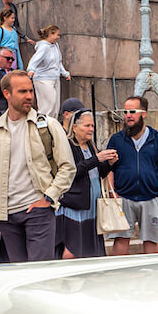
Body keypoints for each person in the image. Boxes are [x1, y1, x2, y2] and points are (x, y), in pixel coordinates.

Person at [0, 70, 75, 262]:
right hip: (6, 214)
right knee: (19, 275)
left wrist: (49, 197)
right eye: (23, 91)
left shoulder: (48, 125)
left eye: (31, 91)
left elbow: (68, 167)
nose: (29, 96)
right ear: (7, 94)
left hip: (38, 209)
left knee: (39, 274)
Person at [97, 95, 158, 255]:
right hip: (123, 198)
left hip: (152, 197)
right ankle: (119, 276)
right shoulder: (117, 140)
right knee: (121, 239)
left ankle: (152, 275)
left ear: (143, 113)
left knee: (152, 240)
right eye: (125, 112)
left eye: (132, 111)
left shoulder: (157, 139)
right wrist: (112, 193)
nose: (128, 115)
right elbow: (110, 168)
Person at [54, 108, 107, 260]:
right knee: (71, 250)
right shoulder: (68, 145)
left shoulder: (91, 146)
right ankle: (65, 280)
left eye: (92, 126)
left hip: (90, 207)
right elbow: (72, 172)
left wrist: (110, 163)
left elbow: (97, 173)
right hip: (74, 206)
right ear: (75, 127)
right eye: (87, 126)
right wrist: (96, 159)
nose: (91, 129)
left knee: (88, 249)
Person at [25, 25, 69, 118]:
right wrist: (31, 69)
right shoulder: (43, 47)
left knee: (55, 106)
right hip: (43, 79)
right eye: (57, 35)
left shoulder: (55, 46)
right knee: (48, 104)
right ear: (50, 34)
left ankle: (52, 126)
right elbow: (35, 59)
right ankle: (43, 125)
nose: (58, 37)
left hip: (55, 78)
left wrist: (65, 73)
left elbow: (58, 62)